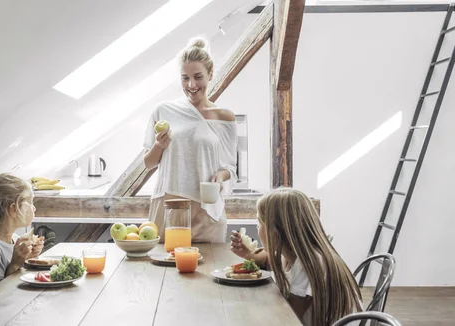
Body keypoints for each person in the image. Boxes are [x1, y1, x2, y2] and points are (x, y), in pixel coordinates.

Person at [143, 37, 238, 243]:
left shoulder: (225, 117)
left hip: (206, 211)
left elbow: (230, 168)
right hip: (170, 208)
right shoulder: (164, 110)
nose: (191, 85)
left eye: (198, 77)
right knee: (162, 272)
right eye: (185, 78)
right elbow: (148, 163)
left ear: (210, 74)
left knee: (210, 271)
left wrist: (220, 178)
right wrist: (160, 145)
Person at [230, 187, 362, 326]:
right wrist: (248, 254)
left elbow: (288, 320)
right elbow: (269, 260)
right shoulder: (295, 254)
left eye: (259, 224)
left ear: (275, 233)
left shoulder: (308, 264)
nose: (257, 229)